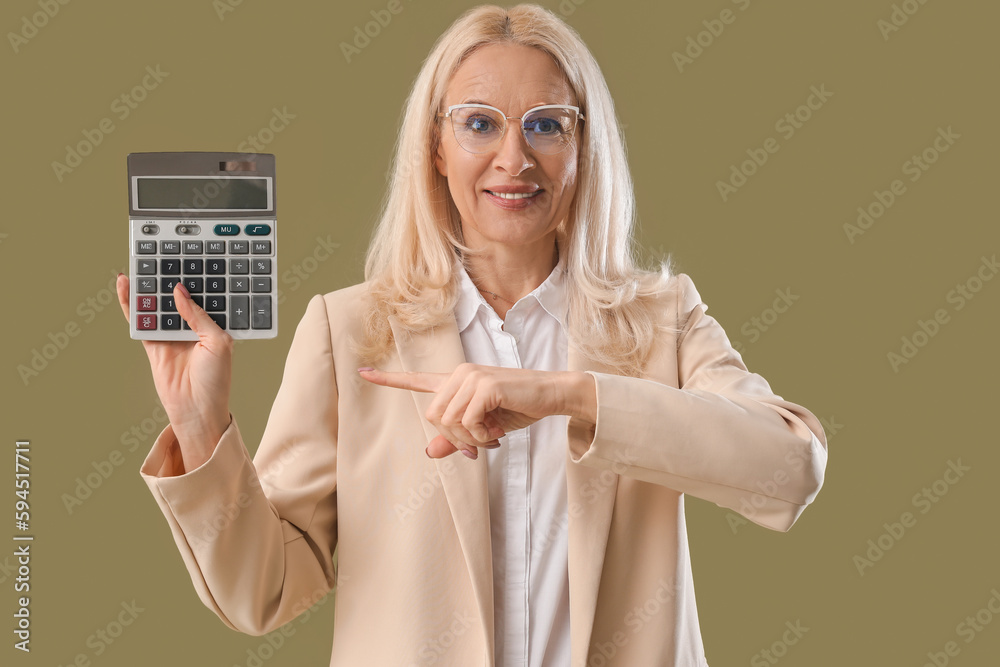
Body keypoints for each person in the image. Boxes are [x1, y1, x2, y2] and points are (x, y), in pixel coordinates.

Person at [116, 4, 828, 666]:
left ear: (584, 146)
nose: (514, 158)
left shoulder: (662, 321)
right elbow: (263, 591)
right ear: (436, 147)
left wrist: (570, 396)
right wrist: (201, 423)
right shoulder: (351, 330)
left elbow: (788, 469)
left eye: (546, 124)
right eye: (480, 123)